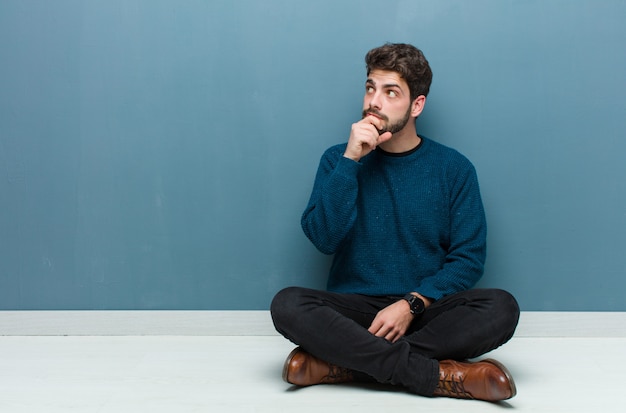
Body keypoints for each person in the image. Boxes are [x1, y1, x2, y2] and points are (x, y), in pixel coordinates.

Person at [270, 43, 520, 402]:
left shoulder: (454, 168)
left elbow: (468, 259)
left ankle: (342, 364)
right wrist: (351, 160)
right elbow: (323, 238)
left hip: (424, 311)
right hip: (356, 313)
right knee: (287, 304)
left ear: (416, 105)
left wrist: (412, 304)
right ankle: (437, 376)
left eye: (391, 93)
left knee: (502, 308)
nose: (375, 101)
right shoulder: (337, 160)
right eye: (371, 88)